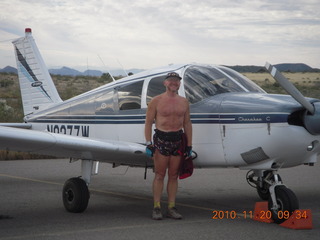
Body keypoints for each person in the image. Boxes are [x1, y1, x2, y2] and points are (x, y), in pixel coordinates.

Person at [144, 72, 192, 220]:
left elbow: (187, 123)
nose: (174, 83)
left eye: (176, 81)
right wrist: (148, 143)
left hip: (177, 141)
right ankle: (156, 207)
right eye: (171, 80)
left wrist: (189, 145)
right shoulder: (156, 101)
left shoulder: (184, 102)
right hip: (161, 141)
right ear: (165, 83)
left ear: (179, 83)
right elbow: (148, 122)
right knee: (159, 175)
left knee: (173, 175)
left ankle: (171, 207)